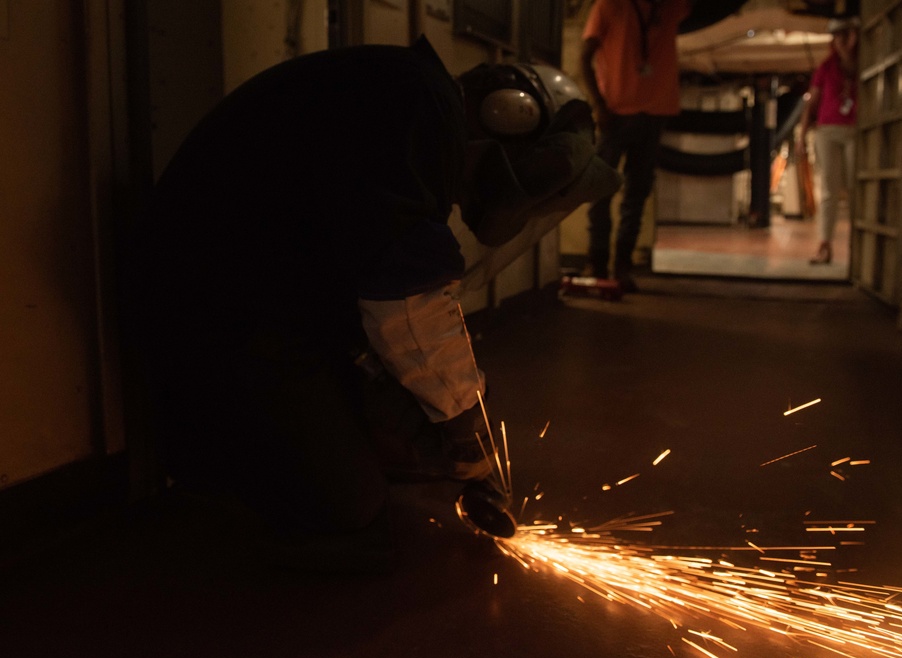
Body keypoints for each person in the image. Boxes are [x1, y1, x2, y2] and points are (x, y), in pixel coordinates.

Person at [127, 36, 618, 572]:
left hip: (252, 293)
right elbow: (410, 303)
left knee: (390, 431)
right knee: (351, 512)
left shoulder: (408, 96)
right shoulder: (414, 112)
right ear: (507, 118)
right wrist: (466, 431)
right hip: (217, 307)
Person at [578, 0, 691, 292]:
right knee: (600, 189)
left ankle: (622, 267)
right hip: (616, 112)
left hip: (655, 111)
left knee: (637, 193)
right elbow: (584, 56)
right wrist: (599, 104)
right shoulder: (609, 5)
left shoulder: (669, 7)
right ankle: (599, 262)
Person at [796, 16, 860, 265]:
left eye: (846, 36)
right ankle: (825, 245)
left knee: (857, 188)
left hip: (855, 130)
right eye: (837, 37)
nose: (841, 42)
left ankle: (859, 245)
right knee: (829, 191)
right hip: (828, 130)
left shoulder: (861, 64)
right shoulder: (826, 67)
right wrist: (801, 136)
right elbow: (811, 103)